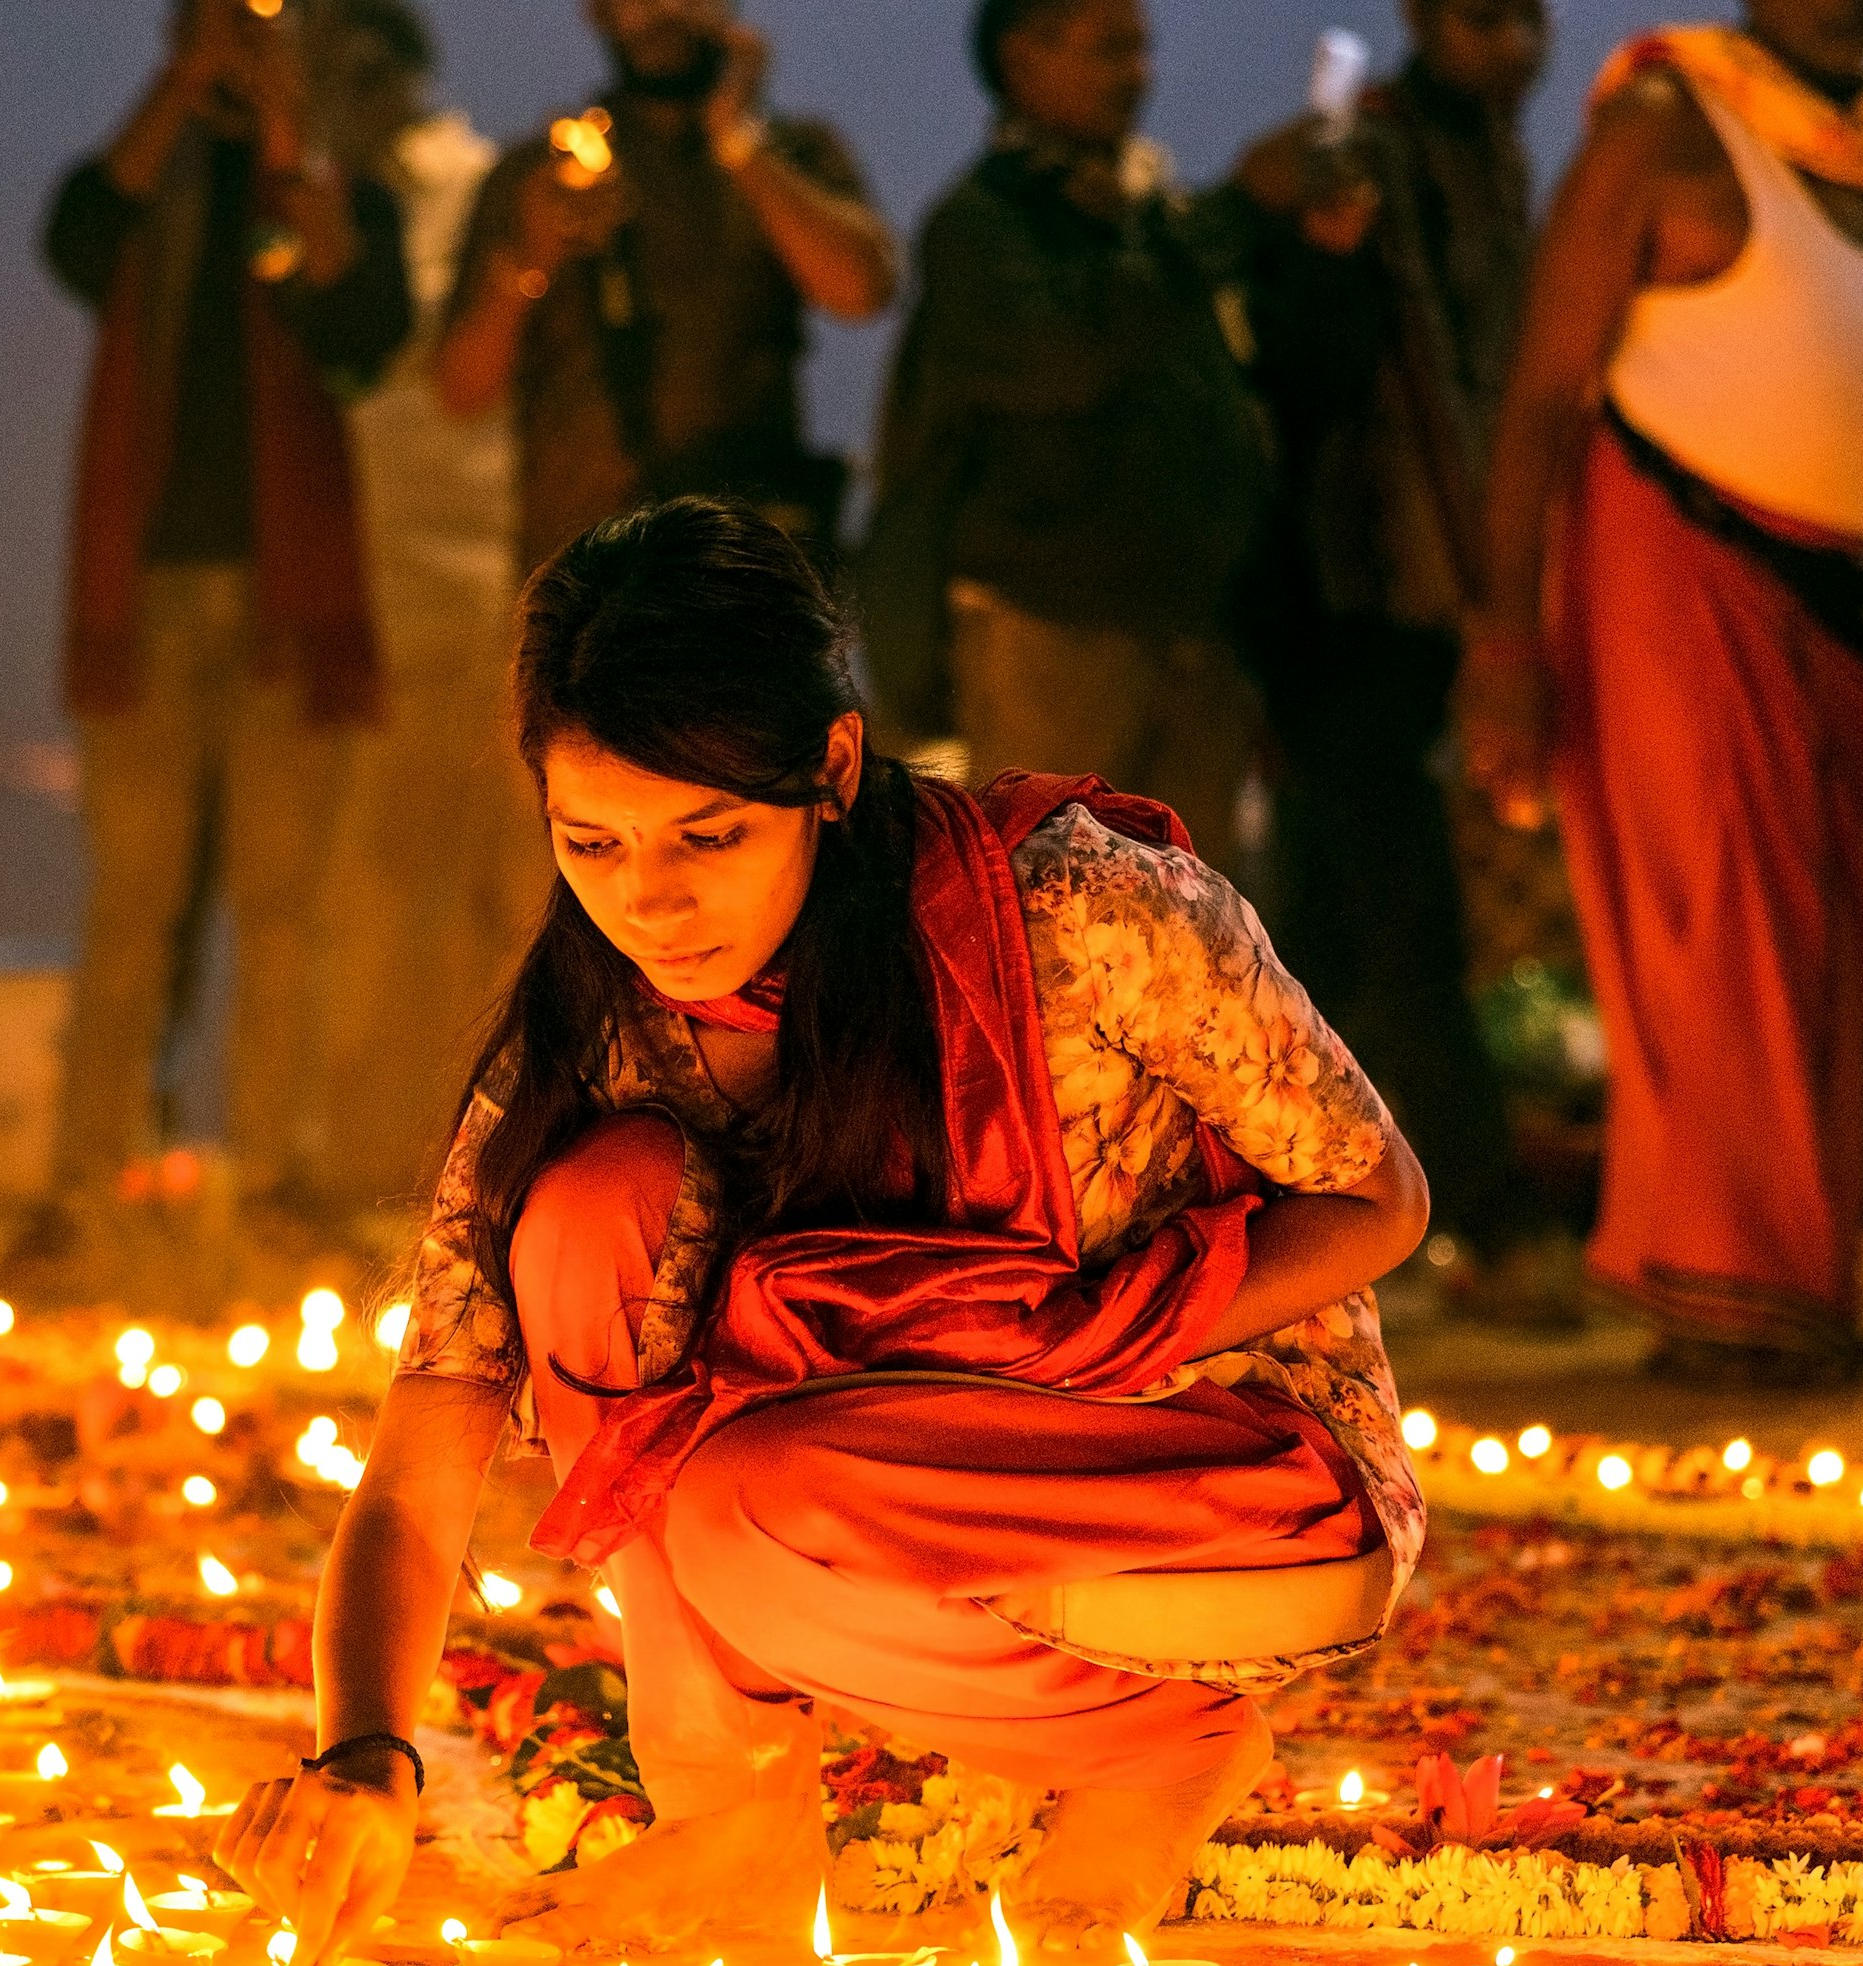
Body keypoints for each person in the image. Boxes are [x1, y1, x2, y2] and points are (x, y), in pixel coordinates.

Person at [213, 500, 1430, 1966]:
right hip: (871, 1481)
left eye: (708, 836)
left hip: (1209, 1478)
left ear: (835, 769)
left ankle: (1161, 1750)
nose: (649, 903)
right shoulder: (598, 1030)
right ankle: (733, 1810)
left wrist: (1086, 1340)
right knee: (584, 1216)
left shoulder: (1079, 912)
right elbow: (418, 1477)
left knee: (736, 1508)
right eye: (590, 843)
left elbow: (1381, 1197)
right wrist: (363, 1761)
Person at [1463, 0, 1863, 1387]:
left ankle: (1797, 1291)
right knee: (1722, 926)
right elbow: (1533, 401)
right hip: (1688, 566)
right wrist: (1505, 648)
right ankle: (1730, 1306)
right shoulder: (1663, 134)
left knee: (1832, 951)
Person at [19, 0, 415, 1287]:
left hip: (286, 606)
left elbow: (361, 334)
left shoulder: (346, 197)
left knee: (286, 910)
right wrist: (186, 92)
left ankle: (281, 1185)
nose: (242, 40)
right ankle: (83, 1192)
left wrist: (290, 136)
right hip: (145, 595)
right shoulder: (142, 182)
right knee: (130, 907)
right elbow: (76, 238)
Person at [865, 0, 1359, 880]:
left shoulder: (1151, 213)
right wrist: (1236, 210)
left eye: (1141, 49)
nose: (1135, 74)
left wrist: (1315, 254)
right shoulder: (983, 226)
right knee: (1060, 911)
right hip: (1053, 640)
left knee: (1200, 934)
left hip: (1195, 637)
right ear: (1023, 60)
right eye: (1108, 49)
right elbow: (1065, 358)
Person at [1244, 0, 1573, 1319]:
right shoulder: (1365, 158)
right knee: (1399, 921)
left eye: (1526, 22)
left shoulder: (1487, 157)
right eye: (1486, 21)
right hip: (1354, 589)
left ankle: (1297, 1232)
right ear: (1430, 25)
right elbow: (1318, 372)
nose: (1514, 48)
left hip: (1424, 595)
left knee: (1322, 928)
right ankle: (1485, 1222)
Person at [304, 0, 548, 1211]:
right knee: (373, 890)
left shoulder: (475, 190)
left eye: (353, 61)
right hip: (369, 582)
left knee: (510, 890)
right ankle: (372, 1156)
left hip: (491, 567)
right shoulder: (318, 200)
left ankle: (499, 1155)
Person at [439, 0, 896, 574]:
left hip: (742, 560)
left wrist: (740, 145)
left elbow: (864, 292)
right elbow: (460, 390)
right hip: (587, 566)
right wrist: (531, 261)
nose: (661, 11)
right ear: (599, 12)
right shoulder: (538, 174)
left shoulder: (790, 152)